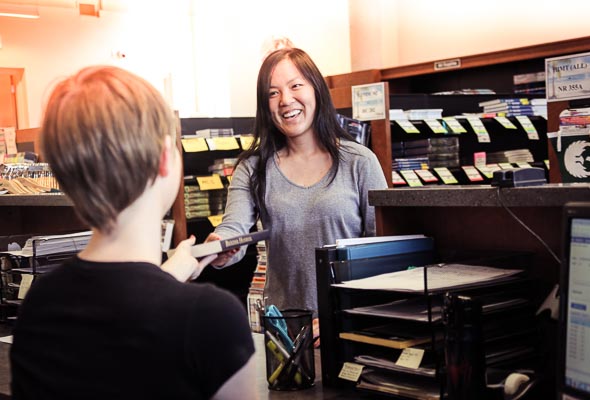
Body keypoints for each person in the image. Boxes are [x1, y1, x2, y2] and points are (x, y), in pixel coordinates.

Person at [10, 66, 257, 400]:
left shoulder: (39, 305)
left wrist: (168, 274)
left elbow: (122, 306)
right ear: (164, 159)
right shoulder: (211, 319)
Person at [206, 47, 388, 315]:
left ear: (315, 88)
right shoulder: (253, 168)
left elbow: (383, 248)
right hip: (286, 325)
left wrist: (337, 315)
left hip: (350, 322)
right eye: (273, 92)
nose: (285, 100)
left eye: (295, 86)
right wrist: (220, 246)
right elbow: (235, 227)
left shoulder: (360, 161)